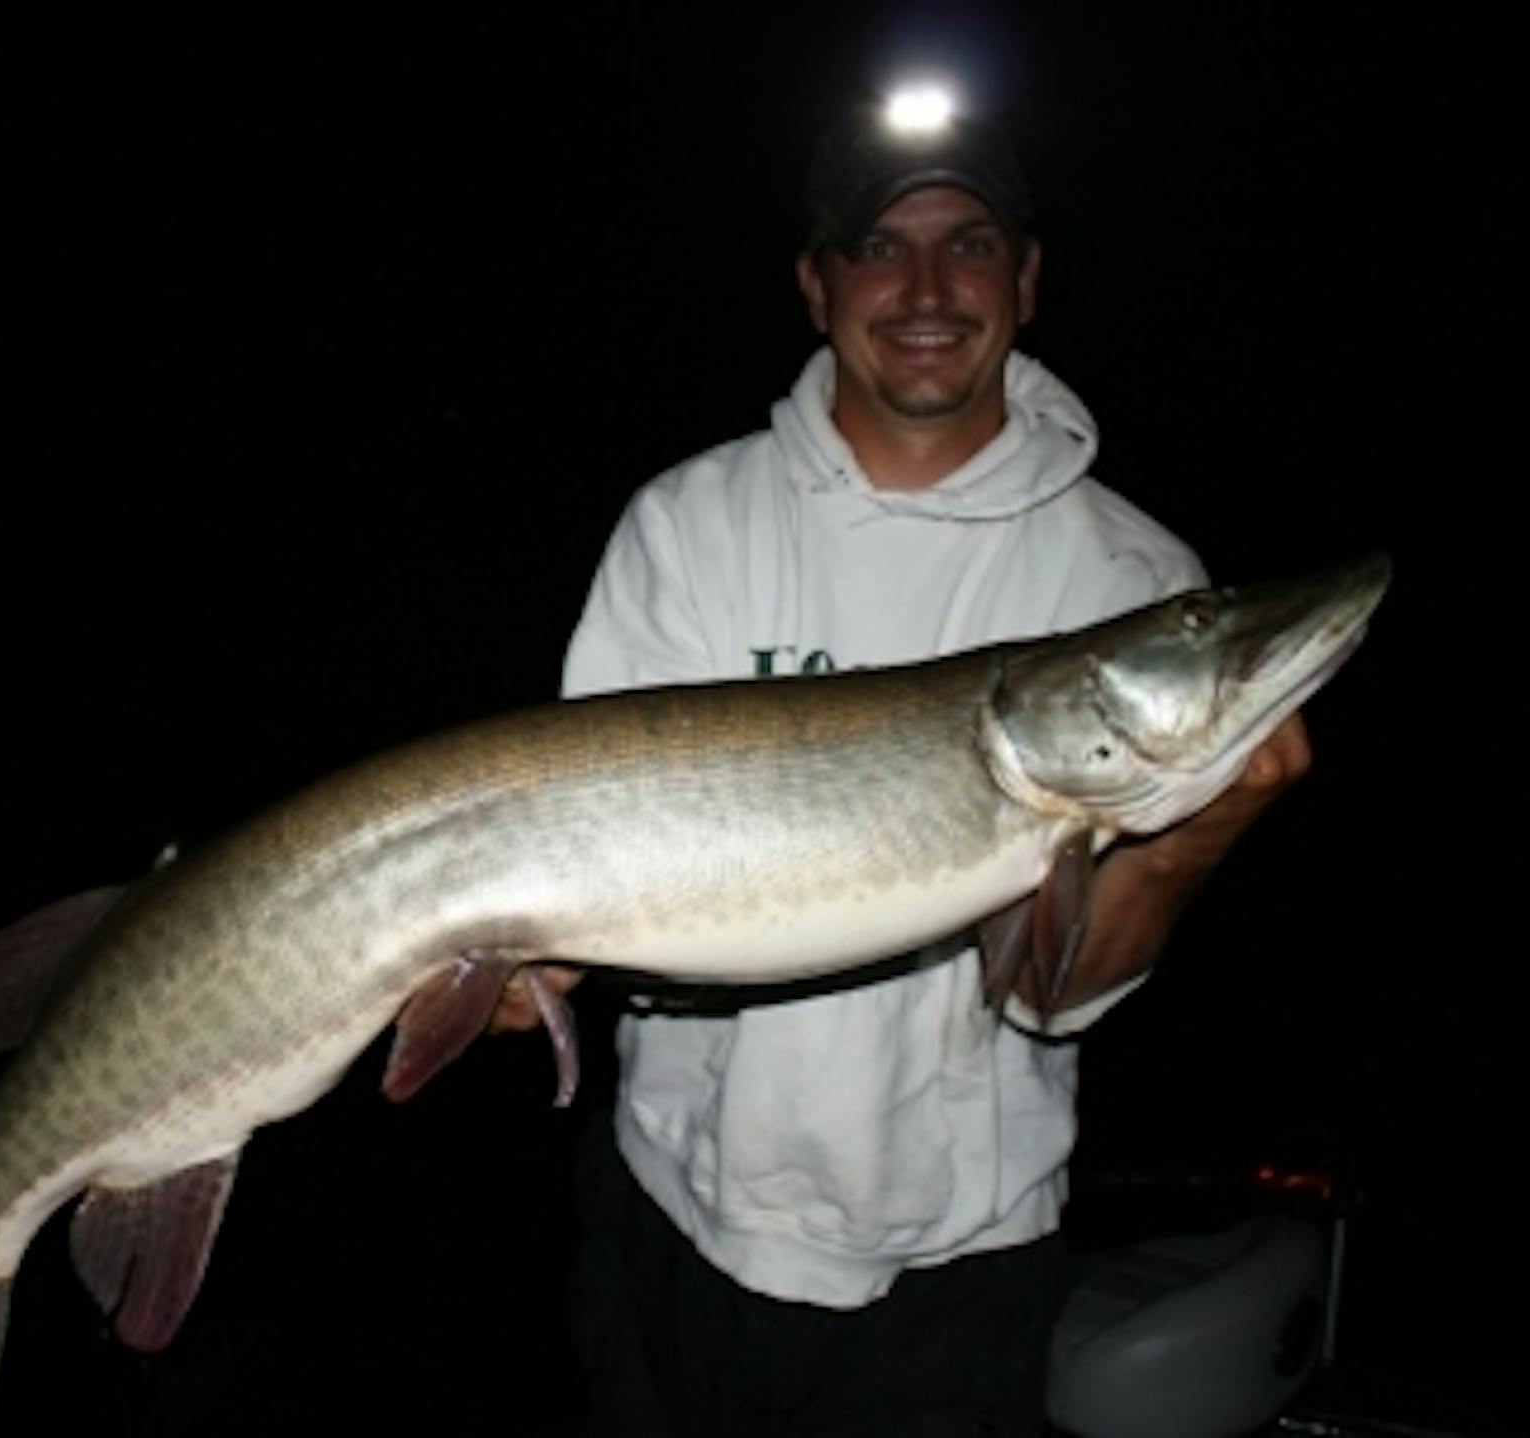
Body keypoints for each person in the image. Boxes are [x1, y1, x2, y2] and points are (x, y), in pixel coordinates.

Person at [493, 95, 1311, 1436]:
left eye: (971, 243)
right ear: (818, 286)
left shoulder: (1131, 579)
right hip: (669, 1215)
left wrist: (1190, 840)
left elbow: (1049, 992)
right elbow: (597, 872)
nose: (927, 288)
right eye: (880, 244)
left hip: (953, 1265)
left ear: (1028, 280)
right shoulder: (691, 523)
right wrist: (521, 960)